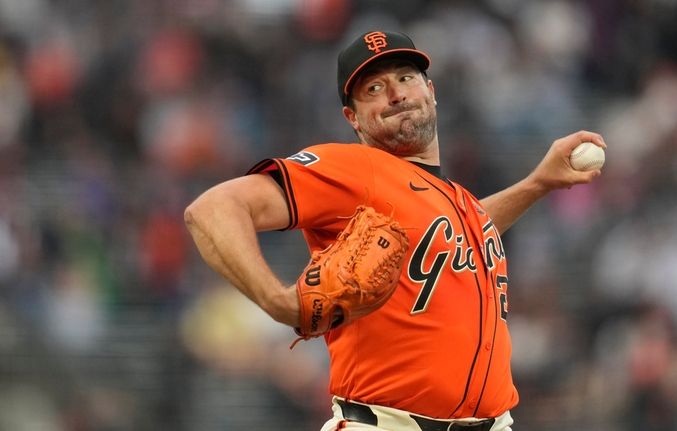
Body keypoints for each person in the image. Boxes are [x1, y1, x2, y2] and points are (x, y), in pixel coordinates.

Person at [184, 30, 605, 431]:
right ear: (353, 118)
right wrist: (278, 302)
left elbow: (467, 226)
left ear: (431, 92)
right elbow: (211, 210)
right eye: (373, 89)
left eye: (406, 78)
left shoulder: (454, 200)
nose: (396, 94)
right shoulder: (353, 168)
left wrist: (537, 184)